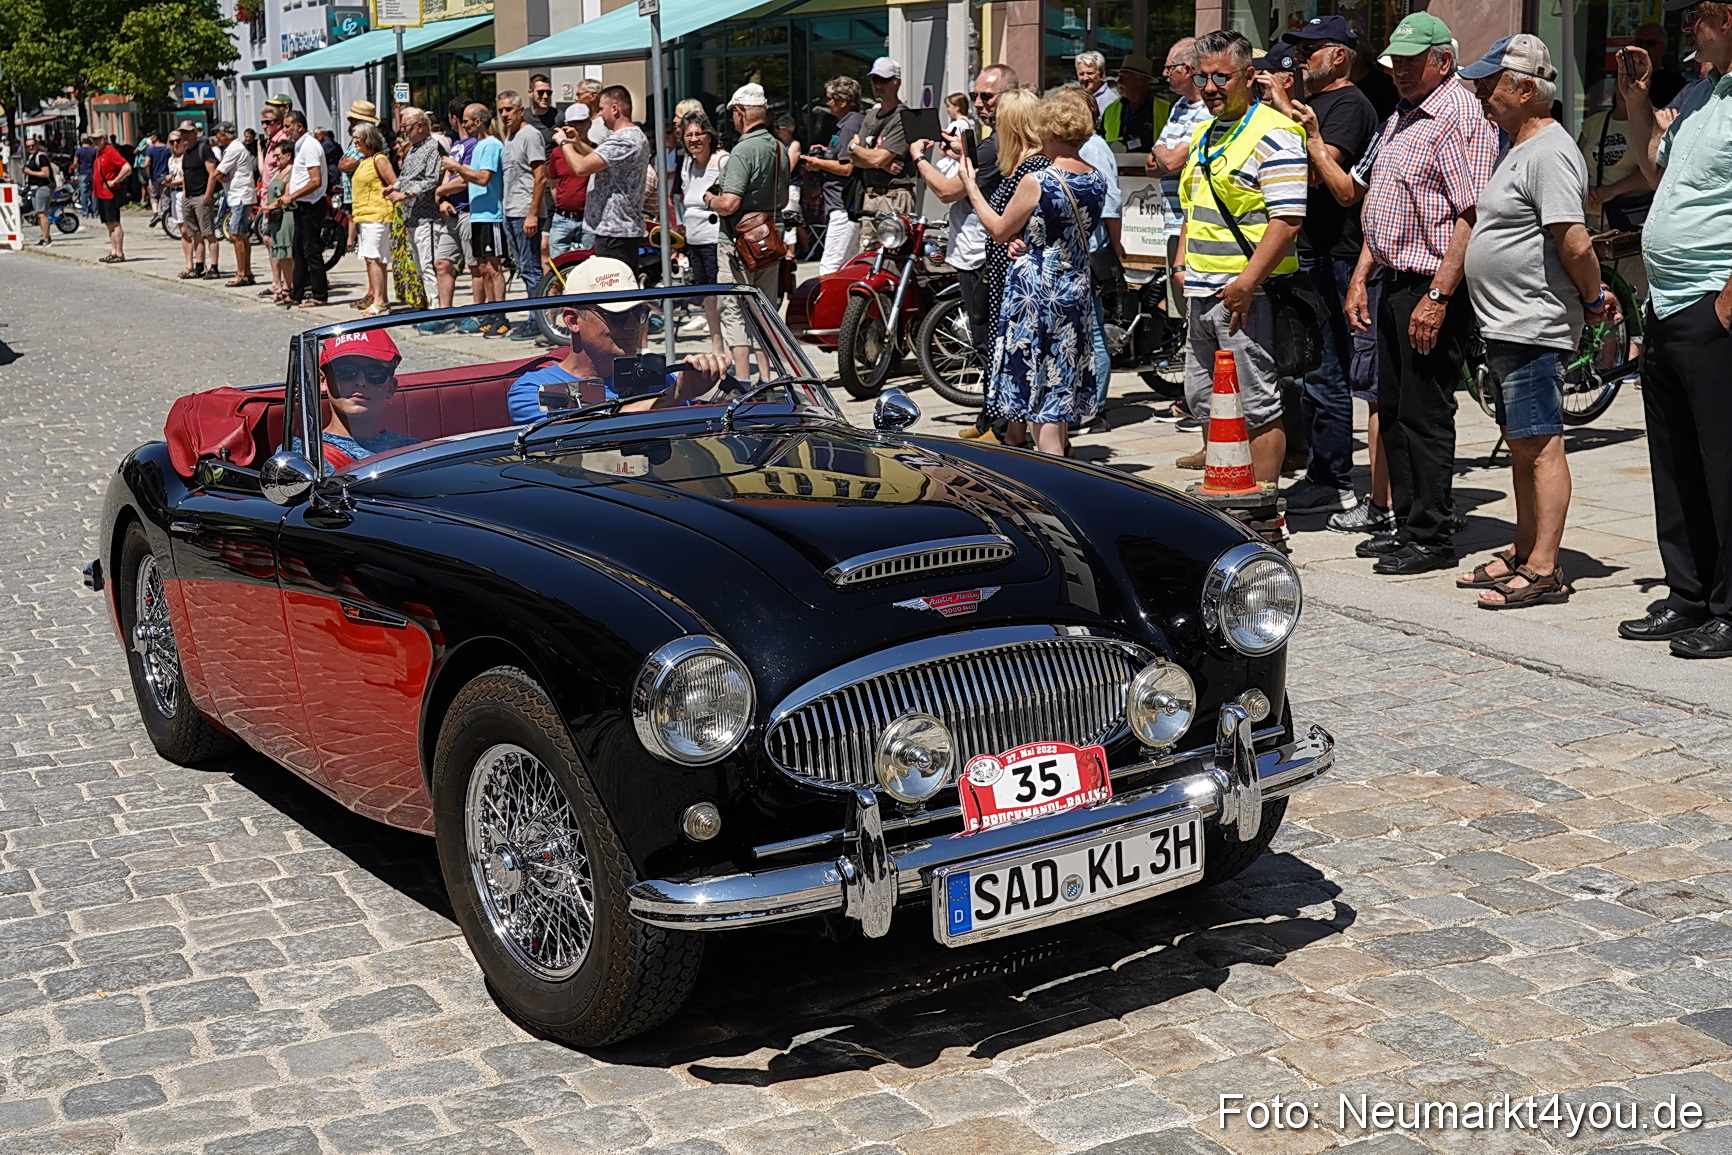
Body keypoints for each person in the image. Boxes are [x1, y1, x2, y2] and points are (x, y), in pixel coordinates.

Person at [1457, 35, 1611, 610]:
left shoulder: (1549, 151)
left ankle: (1544, 568)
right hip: (1507, 323)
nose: (1480, 94)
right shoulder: (1517, 145)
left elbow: (1573, 241)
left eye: (1488, 84)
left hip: (1531, 323)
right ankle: (1524, 551)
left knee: (1541, 445)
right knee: (1522, 445)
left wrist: (1593, 300)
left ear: (1525, 89)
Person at [1345, 13, 1498, 575]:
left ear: (1443, 61)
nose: (1400, 72)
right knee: (1393, 409)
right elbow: (1385, 202)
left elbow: (1471, 213)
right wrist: (1362, 275)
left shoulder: (1457, 115)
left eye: (1412, 62)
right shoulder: (1405, 112)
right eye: (1396, 63)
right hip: (1394, 278)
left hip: (1431, 284)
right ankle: (1407, 524)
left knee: (1425, 412)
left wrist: (1438, 295)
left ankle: (1431, 534)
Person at [1614, 0, 1732, 656]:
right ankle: (1688, 595)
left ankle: (1729, 608)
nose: (1690, 30)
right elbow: (1654, 169)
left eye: (1698, 19)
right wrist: (1638, 100)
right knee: (1675, 460)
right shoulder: (1699, 95)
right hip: (1668, 302)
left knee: (1724, 463)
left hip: (1712, 304)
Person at [1173, 30, 1308, 484]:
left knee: (1256, 405)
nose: (1209, 87)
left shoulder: (1275, 133)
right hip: (1201, 289)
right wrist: (1181, 265)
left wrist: (1246, 284)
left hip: (1248, 295)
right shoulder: (1204, 133)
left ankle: (1262, 504)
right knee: (1204, 399)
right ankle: (1226, 488)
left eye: (1221, 77)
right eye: (1202, 77)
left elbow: (1287, 222)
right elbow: (1194, 207)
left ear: (1249, 77)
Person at [961, 93, 1105, 457]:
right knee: (1059, 385)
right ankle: (1060, 456)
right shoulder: (1096, 178)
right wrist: (1027, 238)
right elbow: (1062, 229)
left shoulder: (1039, 180)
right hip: (1074, 288)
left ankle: (1051, 473)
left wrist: (972, 188)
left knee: (1039, 392)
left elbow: (998, 229)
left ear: (1050, 132)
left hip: (1037, 294)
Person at [1276, 16, 1380, 514]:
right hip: (1310, 249)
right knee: (1311, 367)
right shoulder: (1311, 105)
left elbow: (1325, 175)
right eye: (1298, 49)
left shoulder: (1349, 105)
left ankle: (1332, 478)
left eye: (1311, 49)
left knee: (1328, 370)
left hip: (1337, 253)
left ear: (1339, 55)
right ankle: (1321, 469)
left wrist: (1286, 115)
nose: (1300, 58)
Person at [912, 64, 1020, 442]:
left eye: (987, 96)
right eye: (975, 95)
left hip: (982, 253)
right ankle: (990, 418)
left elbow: (946, 191)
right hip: (977, 250)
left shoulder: (996, 145)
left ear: (1009, 96)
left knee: (989, 343)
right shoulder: (994, 141)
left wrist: (918, 157)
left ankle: (1002, 429)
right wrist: (962, 152)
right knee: (986, 341)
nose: (978, 102)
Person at [507, 258, 732, 421]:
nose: (633, 326)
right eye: (617, 315)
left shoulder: (658, 380)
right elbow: (582, 432)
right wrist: (670, 398)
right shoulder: (534, 389)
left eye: (639, 312)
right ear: (573, 321)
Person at [703, 83, 791, 379]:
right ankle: (769, 378)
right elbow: (784, 200)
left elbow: (729, 204)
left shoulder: (742, 150)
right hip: (770, 240)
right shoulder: (779, 148)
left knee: (733, 310)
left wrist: (710, 199)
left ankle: (743, 381)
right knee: (764, 312)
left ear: (740, 112)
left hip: (738, 243)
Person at [1146, 38, 1210, 437]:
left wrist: (1163, 152)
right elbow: (1156, 162)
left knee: (1196, 315)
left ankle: (1197, 402)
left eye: (1169, 67)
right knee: (1185, 316)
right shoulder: (1178, 108)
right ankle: (1194, 398)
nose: (1165, 74)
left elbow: (1167, 159)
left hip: (1192, 223)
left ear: (1188, 70)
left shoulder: (1206, 109)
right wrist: (1164, 154)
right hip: (1172, 223)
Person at [560, 85, 649, 268]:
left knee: (614, 284)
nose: (599, 114)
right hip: (616, 230)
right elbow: (601, 158)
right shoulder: (629, 136)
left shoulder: (624, 138)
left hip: (615, 231)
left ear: (615, 109)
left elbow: (581, 167)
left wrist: (563, 143)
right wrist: (577, 143)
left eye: (601, 109)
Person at [307, 331, 419, 467]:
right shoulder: (303, 456)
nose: (360, 382)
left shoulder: (412, 452)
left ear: (390, 387)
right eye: (345, 371)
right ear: (323, 381)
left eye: (375, 373)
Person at [441, 103, 507, 335]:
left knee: (494, 267)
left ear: (478, 122)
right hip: (478, 213)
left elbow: (482, 178)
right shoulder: (478, 146)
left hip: (491, 214)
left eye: (467, 121)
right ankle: (489, 312)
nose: (464, 124)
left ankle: (501, 315)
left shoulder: (491, 145)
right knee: (483, 267)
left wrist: (457, 167)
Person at [418, 98, 478, 334]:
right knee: (442, 263)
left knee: (474, 265)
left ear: (453, 119)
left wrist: (440, 191)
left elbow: (466, 179)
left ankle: (478, 313)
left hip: (468, 210)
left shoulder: (474, 144)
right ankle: (445, 314)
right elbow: (447, 174)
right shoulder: (456, 145)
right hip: (451, 212)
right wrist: (442, 198)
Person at [849, 58, 916, 249]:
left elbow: (875, 158)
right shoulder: (870, 116)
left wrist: (855, 148)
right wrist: (882, 163)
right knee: (867, 253)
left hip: (894, 197)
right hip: (870, 197)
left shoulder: (903, 117)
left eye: (884, 80)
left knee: (895, 254)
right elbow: (853, 160)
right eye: (875, 80)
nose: (878, 86)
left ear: (897, 82)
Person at [497, 89, 548, 338]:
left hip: (525, 212)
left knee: (531, 269)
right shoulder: (509, 137)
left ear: (520, 110)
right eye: (501, 110)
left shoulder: (530, 135)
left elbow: (541, 176)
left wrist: (532, 213)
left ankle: (537, 320)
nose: (505, 114)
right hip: (510, 211)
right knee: (523, 268)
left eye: (509, 109)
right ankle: (534, 317)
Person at [678, 114, 729, 354]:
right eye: (688, 134)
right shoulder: (687, 165)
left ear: (709, 136)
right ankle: (717, 347)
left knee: (722, 298)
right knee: (707, 297)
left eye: (699, 133)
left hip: (715, 239)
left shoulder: (722, 161)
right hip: (694, 239)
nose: (694, 139)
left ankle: (732, 348)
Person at [389, 107, 448, 317]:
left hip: (426, 216)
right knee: (420, 266)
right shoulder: (413, 149)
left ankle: (436, 310)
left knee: (428, 264)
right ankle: (430, 307)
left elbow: (432, 179)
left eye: (406, 126)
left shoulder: (433, 147)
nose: (404, 131)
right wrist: (394, 187)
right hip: (411, 216)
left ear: (420, 126)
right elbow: (406, 177)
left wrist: (406, 194)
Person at [804, 77, 866, 274]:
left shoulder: (849, 127)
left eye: (830, 98)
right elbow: (842, 155)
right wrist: (826, 152)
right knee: (848, 267)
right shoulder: (852, 123)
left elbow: (847, 167)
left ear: (843, 101)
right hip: (845, 207)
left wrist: (817, 163)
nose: (828, 103)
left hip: (842, 206)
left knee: (830, 267)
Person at [273, 110, 330, 307]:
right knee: (299, 250)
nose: (285, 130)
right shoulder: (300, 146)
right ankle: (296, 293)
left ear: (299, 126)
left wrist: (292, 195)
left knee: (311, 251)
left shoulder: (310, 146)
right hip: (302, 204)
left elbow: (315, 181)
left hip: (312, 204)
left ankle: (319, 294)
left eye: (287, 126)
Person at [348, 123, 397, 319]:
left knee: (373, 258)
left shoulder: (379, 159)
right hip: (365, 216)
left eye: (358, 138)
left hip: (377, 214)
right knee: (375, 259)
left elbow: (394, 183)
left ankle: (378, 301)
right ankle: (382, 299)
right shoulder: (364, 161)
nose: (354, 141)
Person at [211, 122, 258, 287]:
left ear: (224, 134)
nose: (216, 138)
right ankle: (247, 272)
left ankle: (241, 274)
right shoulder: (235, 148)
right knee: (242, 235)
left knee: (236, 235)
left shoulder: (234, 149)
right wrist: (222, 176)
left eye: (217, 134)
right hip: (239, 195)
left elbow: (217, 172)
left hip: (240, 196)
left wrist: (219, 176)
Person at [546, 102, 593, 258]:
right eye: (573, 123)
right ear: (566, 125)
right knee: (558, 265)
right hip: (562, 219)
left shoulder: (596, 151)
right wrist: (562, 205)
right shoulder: (557, 153)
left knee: (589, 265)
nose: (577, 127)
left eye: (581, 122)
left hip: (588, 219)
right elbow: (554, 185)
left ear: (589, 123)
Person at [180, 121, 221, 279]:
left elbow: (212, 173)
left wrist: (207, 195)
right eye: (182, 132)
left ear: (194, 133)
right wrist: (185, 193)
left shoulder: (203, 149)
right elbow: (186, 174)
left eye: (187, 132)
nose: (184, 136)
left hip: (201, 196)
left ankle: (214, 268)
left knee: (208, 233)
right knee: (195, 234)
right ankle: (199, 266)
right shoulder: (186, 151)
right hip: (189, 197)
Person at [263, 139, 297, 306]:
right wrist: (266, 204)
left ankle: (290, 286)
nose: (276, 159)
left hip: (286, 214)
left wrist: (271, 206)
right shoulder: (278, 171)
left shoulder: (291, 172)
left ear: (288, 155)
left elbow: (287, 195)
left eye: (278, 156)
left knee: (287, 252)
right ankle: (285, 284)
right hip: (275, 216)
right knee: (279, 252)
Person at [91, 133, 132, 263]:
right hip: (101, 193)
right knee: (108, 224)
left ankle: (119, 253)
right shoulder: (99, 152)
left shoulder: (111, 152)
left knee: (114, 223)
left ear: (104, 139)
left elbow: (127, 167)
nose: (95, 142)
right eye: (93, 139)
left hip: (110, 194)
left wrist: (114, 181)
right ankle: (113, 251)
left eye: (97, 139)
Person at [1111, 55, 1163, 153]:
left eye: (1124, 77)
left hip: (1151, 162)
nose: (1119, 81)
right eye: (1119, 76)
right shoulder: (1111, 109)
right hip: (1117, 162)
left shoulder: (1165, 110)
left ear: (1141, 80)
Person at [1633, 21, 1688, 107]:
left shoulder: (1675, 83)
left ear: (1663, 48)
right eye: (1638, 43)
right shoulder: (1627, 78)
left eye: (1650, 43)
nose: (1643, 48)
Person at [1076, 51, 1120, 135]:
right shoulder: (1077, 97)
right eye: (1081, 74)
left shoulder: (1109, 101)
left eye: (1089, 73)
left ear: (1101, 75)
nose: (1085, 78)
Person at [23, 140, 54, 247]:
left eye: (32, 145)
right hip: (34, 187)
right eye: (28, 146)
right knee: (38, 214)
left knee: (41, 213)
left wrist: (30, 172)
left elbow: (46, 173)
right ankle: (45, 236)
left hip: (43, 187)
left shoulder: (41, 157)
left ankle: (46, 239)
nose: (30, 148)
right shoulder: (31, 157)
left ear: (37, 145)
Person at [142, 132, 172, 227]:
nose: (150, 138)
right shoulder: (167, 148)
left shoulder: (150, 149)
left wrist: (148, 174)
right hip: (165, 176)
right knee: (165, 196)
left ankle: (155, 214)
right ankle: (164, 216)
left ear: (155, 137)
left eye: (151, 136)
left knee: (154, 196)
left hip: (154, 177)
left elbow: (146, 163)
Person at [73, 135, 97, 216]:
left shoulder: (79, 150)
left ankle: (85, 212)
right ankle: (95, 212)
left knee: (83, 193)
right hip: (92, 172)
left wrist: (77, 170)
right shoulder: (93, 150)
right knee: (94, 192)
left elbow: (75, 163)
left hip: (82, 173)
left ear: (81, 141)